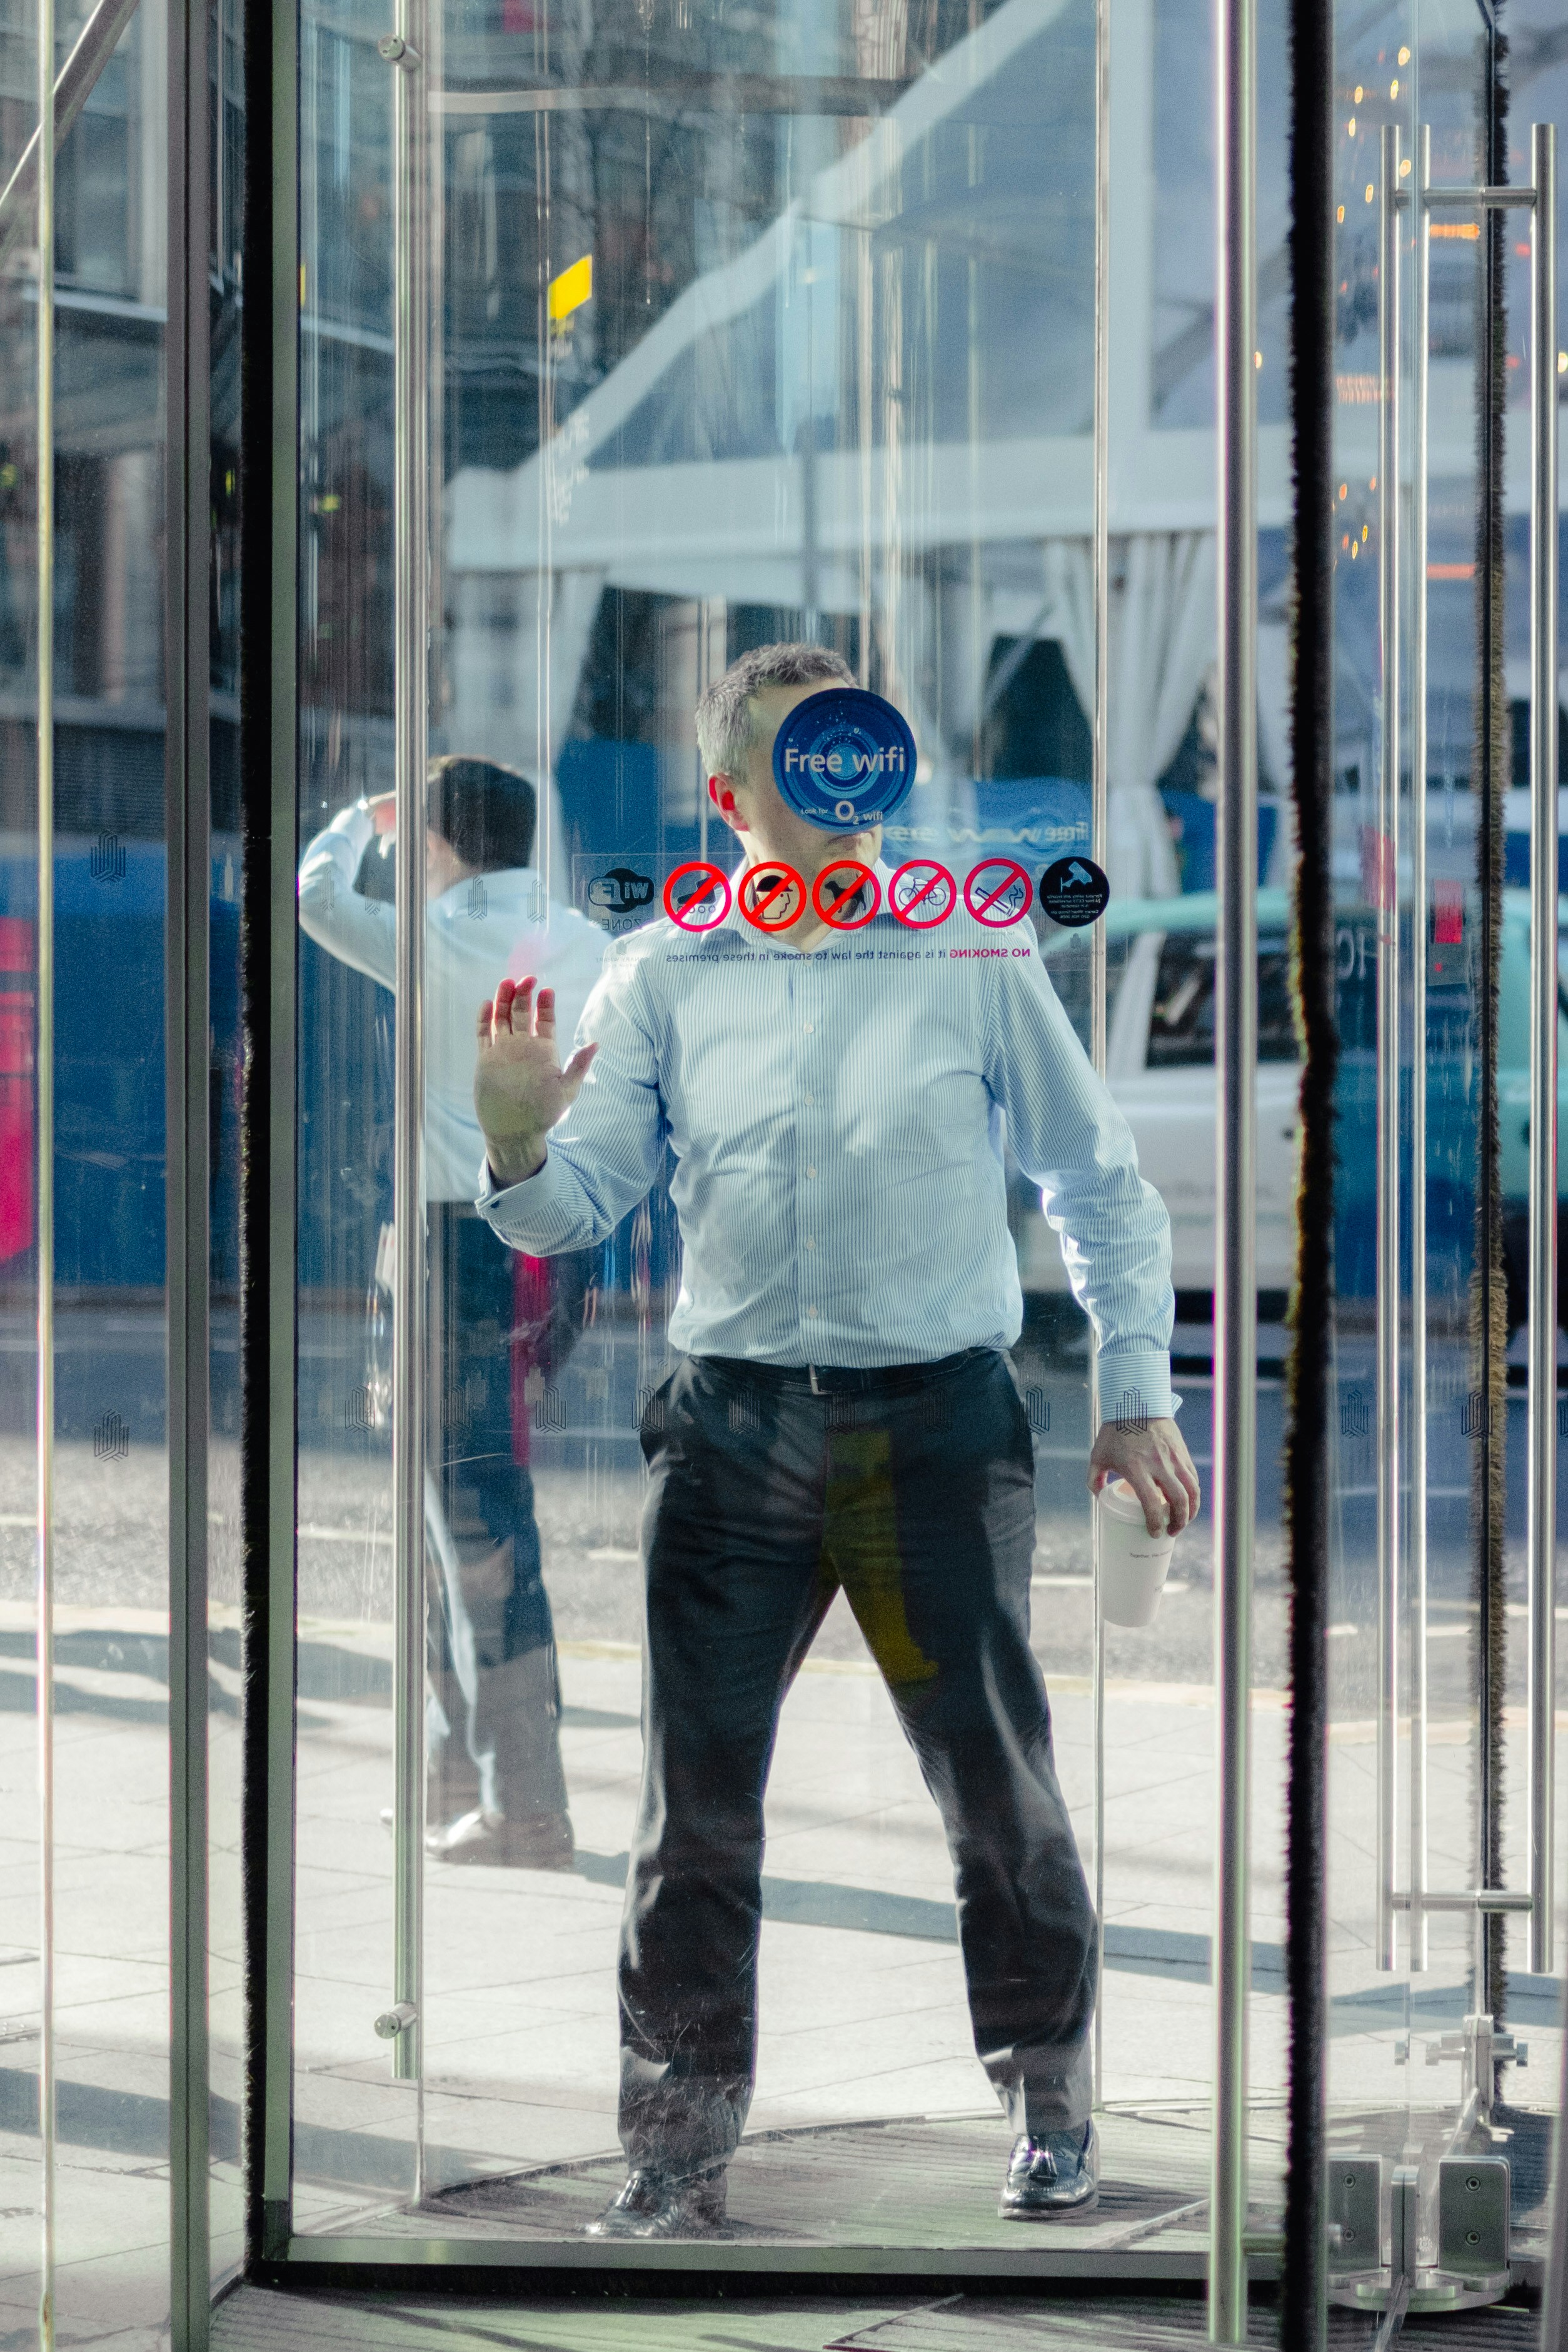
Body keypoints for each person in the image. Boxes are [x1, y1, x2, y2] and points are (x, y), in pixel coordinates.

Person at [469, 645, 1200, 2233]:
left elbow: (1096, 1181)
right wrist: (518, 1131)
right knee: (695, 1810)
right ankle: (675, 2151)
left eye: (859, 759)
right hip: (731, 1437)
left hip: (937, 1424)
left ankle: (1051, 2114)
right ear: (731, 800)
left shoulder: (966, 952)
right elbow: (577, 1201)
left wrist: (1133, 1388)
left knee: (995, 1791)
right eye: (806, 766)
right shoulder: (662, 972)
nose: (844, 797)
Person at [299, 755, 606, 1867]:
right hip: (546, 1240)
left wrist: (355, 819)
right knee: (459, 1518)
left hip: (448, 1251)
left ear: (433, 844)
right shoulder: (582, 943)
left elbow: (314, 895)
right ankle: (452, 1773)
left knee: (474, 1530)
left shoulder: (424, 941)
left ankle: (526, 1804)